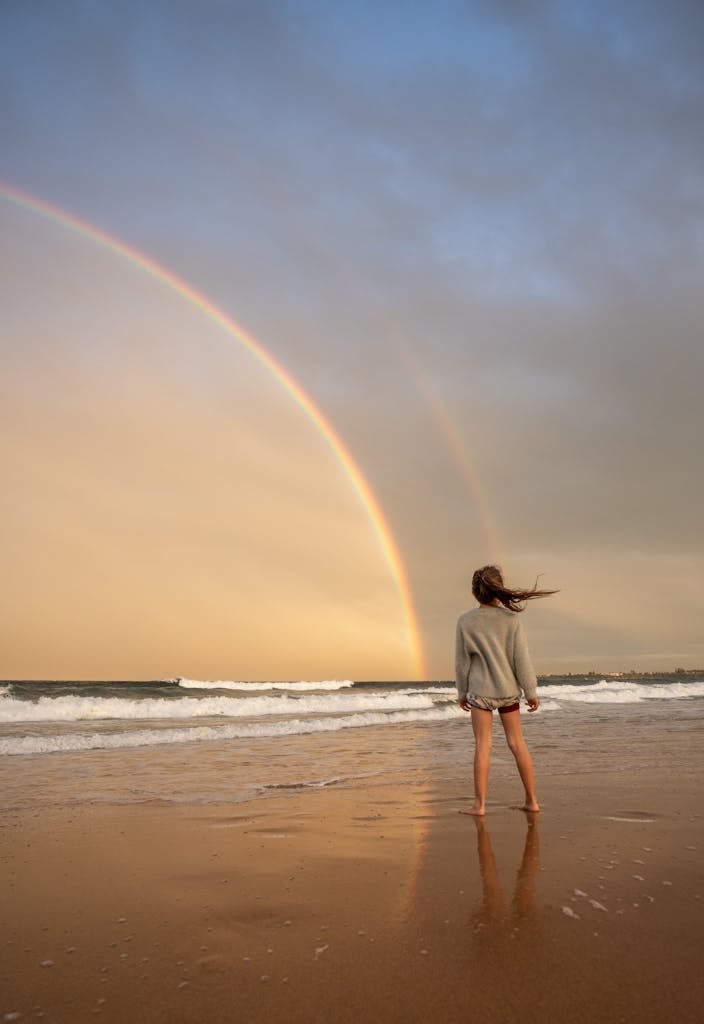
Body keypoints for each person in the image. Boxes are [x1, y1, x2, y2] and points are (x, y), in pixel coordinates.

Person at [455, 565, 557, 816]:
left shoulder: (465, 621)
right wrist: (531, 691)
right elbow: (521, 659)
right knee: (517, 743)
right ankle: (532, 801)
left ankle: (479, 806)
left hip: (480, 693)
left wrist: (461, 692)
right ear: (498, 590)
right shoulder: (512, 620)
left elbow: (462, 662)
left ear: (475, 592)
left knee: (482, 745)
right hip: (509, 691)